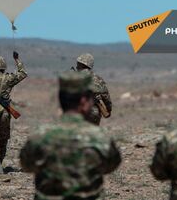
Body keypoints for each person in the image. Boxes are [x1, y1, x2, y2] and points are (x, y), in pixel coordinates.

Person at [20, 71, 122, 199]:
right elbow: (111, 165)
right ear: (84, 102)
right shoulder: (101, 139)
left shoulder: (39, 137)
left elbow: (27, 165)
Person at [74, 53, 112, 125]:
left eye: (78, 64)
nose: (76, 66)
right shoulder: (98, 79)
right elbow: (105, 96)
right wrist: (108, 109)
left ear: (81, 64)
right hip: (94, 113)